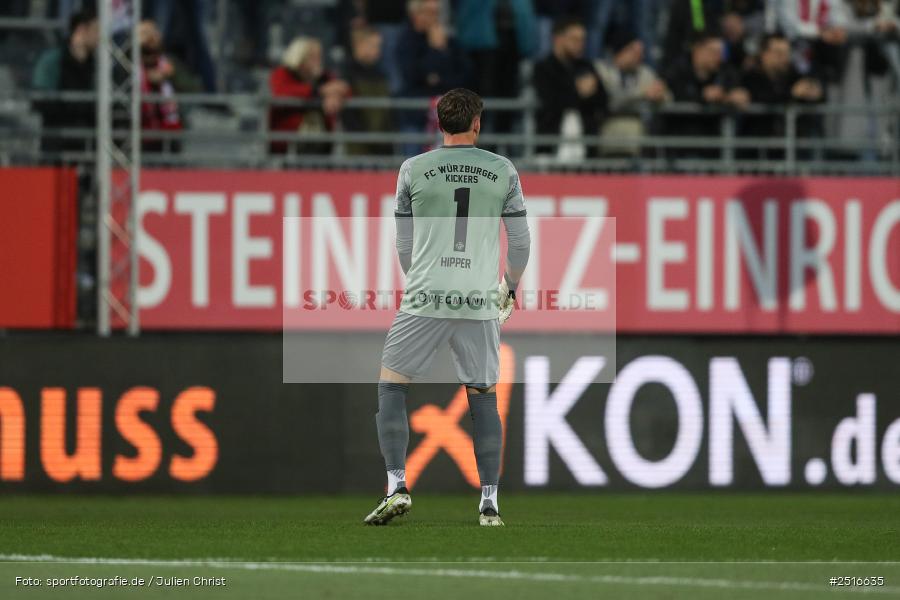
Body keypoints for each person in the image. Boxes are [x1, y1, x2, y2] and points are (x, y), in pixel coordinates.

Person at [364, 88, 531, 528]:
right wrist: (509, 288)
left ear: (440, 125)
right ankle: (489, 503)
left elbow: (404, 244)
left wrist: (419, 280)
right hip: (478, 298)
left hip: (426, 293)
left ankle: (397, 485)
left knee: (392, 385)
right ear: (477, 123)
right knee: (483, 395)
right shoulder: (503, 170)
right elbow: (520, 242)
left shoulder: (412, 169)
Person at [396, 0, 473, 155]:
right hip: (416, 116)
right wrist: (436, 50)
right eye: (430, 12)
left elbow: (466, 76)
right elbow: (412, 75)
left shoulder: (450, 42)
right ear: (416, 15)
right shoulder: (406, 42)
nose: (435, 18)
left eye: (436, 13)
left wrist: (437, 77)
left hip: (448, 118)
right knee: (413, 168)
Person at [663, 32, 749, 158]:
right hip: (679, 148)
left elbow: (740, 94)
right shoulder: (677, 69)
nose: (718, 57)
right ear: (697, 50)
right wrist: (702, 97)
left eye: (721, 53)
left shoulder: (725, 72)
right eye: (713, 52)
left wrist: (725, 97)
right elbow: (674, 94)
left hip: (713, 150)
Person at [532, 17, 608, 158]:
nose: (580, 44)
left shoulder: (586, 66)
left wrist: (588, 92)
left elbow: (604, 101)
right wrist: (578, 91)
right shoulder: (543, 68)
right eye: (574, 39)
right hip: (550, 146)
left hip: (586, 146)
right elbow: (551, 101)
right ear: (558, 39)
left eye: (582, 40)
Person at [740, 33, 824, 158]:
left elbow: (818, 96)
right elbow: (763, 99)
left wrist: (814, 91)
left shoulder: (793, 75)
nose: (783, 58)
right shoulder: (751, 78)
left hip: (792, 151)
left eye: (786, 53)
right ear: (764, 54)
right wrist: (792, 94)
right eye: (778, 53)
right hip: (758, 152)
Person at [31, 8, 99, 153]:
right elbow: (39, 100)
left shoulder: (98, 66)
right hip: (56, 142)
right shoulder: (52, 61)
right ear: (81, 30)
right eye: (96, 31)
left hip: (88, 146)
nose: (99, 37)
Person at [268, 37, 350, 155]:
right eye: (312, 56)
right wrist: (319, 91)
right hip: (289, 142)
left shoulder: (324, 76)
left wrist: (336, 96)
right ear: (299, 56)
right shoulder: (283, 73)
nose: (317, 60)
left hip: (322, 141)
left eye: (319, 56)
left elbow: (343, 89)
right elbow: (282, 92)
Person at [595, 29, 671, 156]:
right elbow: (610, 99)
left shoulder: (645, 73)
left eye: (641, 52)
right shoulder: (602, 70)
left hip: (639, 144)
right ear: (620, 51)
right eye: (633, 51)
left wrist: (661, 96)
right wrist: (642, 95)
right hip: (607, 141)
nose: (639, 56)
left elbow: (668, 99)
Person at [342, 26, 393, 156]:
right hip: (357, 146)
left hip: (382, 145)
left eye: (379, 46)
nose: (378, 51)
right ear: (359, 45)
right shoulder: (346, 74)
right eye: (373, 46)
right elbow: (348, 115)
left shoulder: (382, 75)